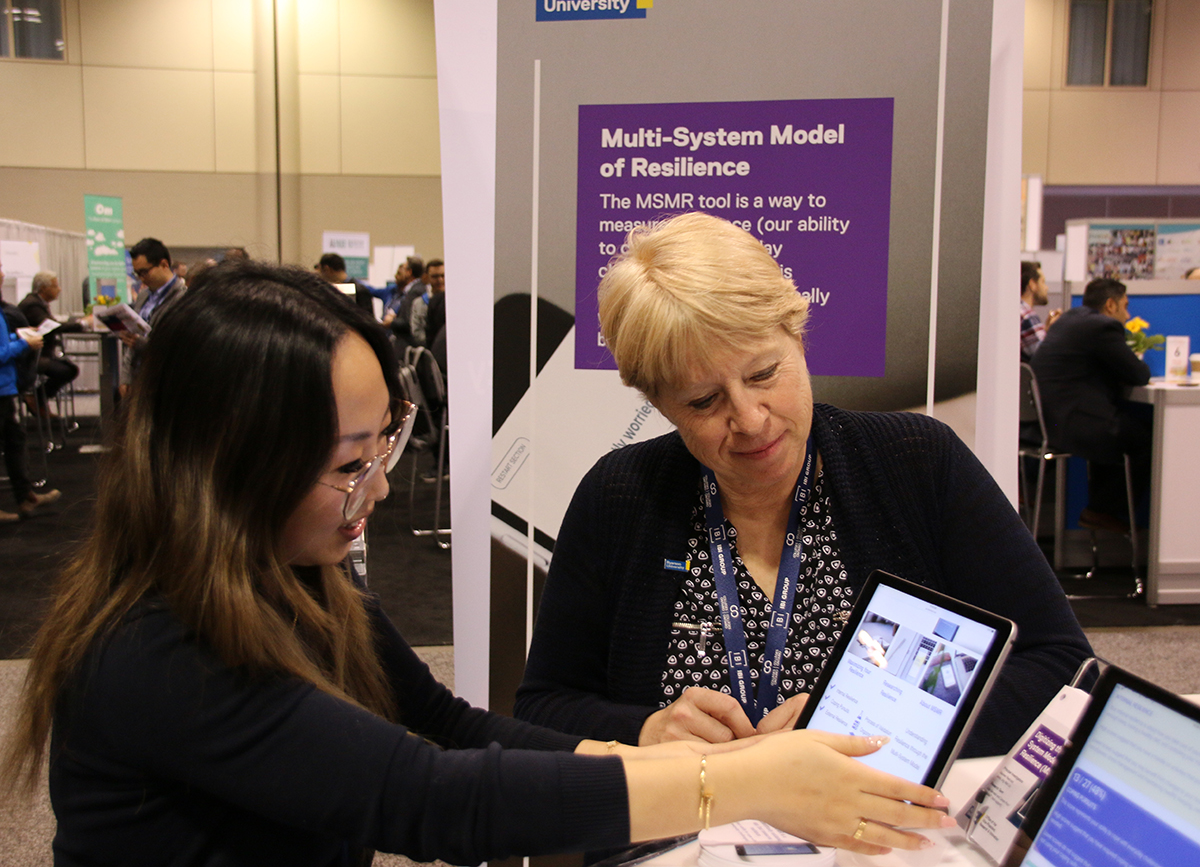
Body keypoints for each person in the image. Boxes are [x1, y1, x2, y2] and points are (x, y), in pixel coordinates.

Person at [0, 262, 956, 864]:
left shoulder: (305, 589)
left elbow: (448, 727)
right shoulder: (160, 651)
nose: (378, 486)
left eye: (387, 444)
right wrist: (739, 783)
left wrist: (673, 758)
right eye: (348, 465)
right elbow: (428, 799)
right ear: (226, 470)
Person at [515, 213, 1092, 758]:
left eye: (764, 373)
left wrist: (875, 725)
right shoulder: (618, 498)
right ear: (659, 405)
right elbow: (544, 708)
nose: (750, 419)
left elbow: (1060, 665)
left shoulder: (914, 463)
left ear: (798, 335)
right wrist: (642, 731)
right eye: (703, 401)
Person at [1031, 278, 1151, 532]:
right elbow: (1138, 374)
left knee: (1120, 428)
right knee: (1147, 438)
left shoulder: (1069, 319)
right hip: (1073, 423)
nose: (1128, 315)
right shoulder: (1102, 327)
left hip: (1050, 420)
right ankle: (1100, 510)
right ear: (1110, 305)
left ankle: (1100, 510)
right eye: (1125, 306)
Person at [1, 262, 60, 522]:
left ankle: (26, 497)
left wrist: (21, 339)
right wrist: (23, 345)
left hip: (4, 387)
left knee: (14, 440)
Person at [119, 237, 186, 397]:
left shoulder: (184, 299)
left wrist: (143, 344)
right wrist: (126, 377)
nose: (141, 278)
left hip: (165, 381)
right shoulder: (143, 296)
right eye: (137, 274)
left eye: (144, 272)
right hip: (138, 377)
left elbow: (179, 348)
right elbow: (132, 341)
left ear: (164, 264)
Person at [18, 271, 89, 415]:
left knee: (69, 368)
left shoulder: (38, 303)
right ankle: (36, 397)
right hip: (31, 357)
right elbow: (52, 327)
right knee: (67, 370)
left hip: (40, 355)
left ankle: (38, 398)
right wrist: (82, 324)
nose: (60, 289)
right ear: (43, 288)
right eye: (55, 286)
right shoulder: (32, 305)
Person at [1020, 260, 1060, 361]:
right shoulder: (1025, 314)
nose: (1046, 288)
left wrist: (1047, 330)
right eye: (1043, 282)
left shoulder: (1020, 311)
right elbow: (1043, 356)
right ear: (1032, 284)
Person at [315, 252, 375, 317]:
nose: (320, 276)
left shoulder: (360, 291)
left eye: (321, 271)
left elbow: (368, 320)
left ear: (327, 269)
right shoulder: (331, 289)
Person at [410, 258, 445, 347]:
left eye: (443, 276)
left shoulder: (453, 302)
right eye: (435, 276)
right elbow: (416, 331)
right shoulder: (419, 303)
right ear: (427, 277)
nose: (440, 280)